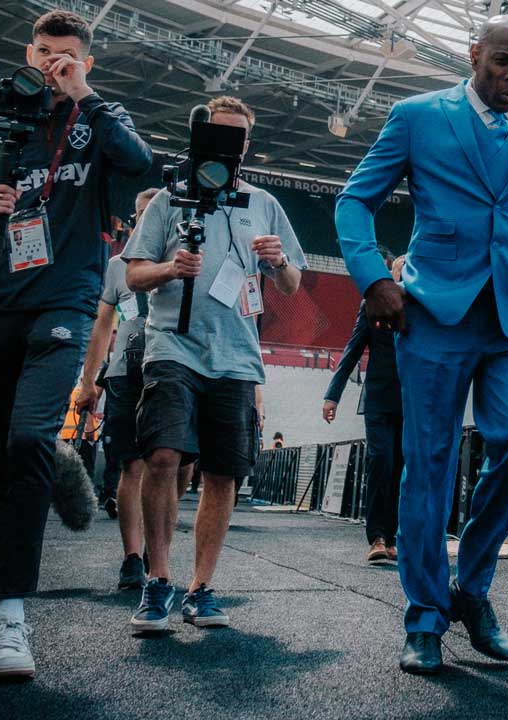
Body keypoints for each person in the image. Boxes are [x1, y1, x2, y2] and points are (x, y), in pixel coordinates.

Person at [336, 15, 508, 675]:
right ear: (474, 55)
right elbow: (354, 202)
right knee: (428, 467)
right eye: (503, 62)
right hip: (433, 316)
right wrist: (375, 279)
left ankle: (472, 587)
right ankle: (425, 620)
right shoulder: (417, 117)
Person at [0, 10, 152, 678]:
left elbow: (139, 163)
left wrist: (83, 97)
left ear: (85, 62)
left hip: (65, 302)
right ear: (27, 52)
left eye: (66, 56)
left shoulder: (101, 117)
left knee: (29, 440)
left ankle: (13, 618)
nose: (52, 64)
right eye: (44, 53)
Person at [123, 95, 306, 634]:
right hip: (172, 346)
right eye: (218, 134)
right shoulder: (167, 201)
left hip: (236, 355)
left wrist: (277, 262)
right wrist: (168, 268)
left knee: (222, 472)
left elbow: (293, 284)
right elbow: (133, 275)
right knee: (162, 454)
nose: (228, 145)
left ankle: (201, 586)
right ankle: (159, 580)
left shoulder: (264, 203)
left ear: (247, 145)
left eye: (237, 137)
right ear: (200, 136)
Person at [75, 188, 194, 590]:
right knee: (131, 463)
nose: (147, 221)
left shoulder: (189, 258)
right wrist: (87, 381)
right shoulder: (116, 267)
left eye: (154, 214)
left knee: (175, 464)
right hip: (127, 371)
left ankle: (156, 550)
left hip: (175, 367)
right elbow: (101, 326)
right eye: (141, 214)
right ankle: (131, 556)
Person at [323, 298, 404, 566]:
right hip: (378, 401)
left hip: (410, 403)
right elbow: (353, 350)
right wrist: (332, 396)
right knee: (381, 459)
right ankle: (376, 538)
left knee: (399, 469)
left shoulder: (419, 305)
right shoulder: (371, 306)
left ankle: (392, 539)